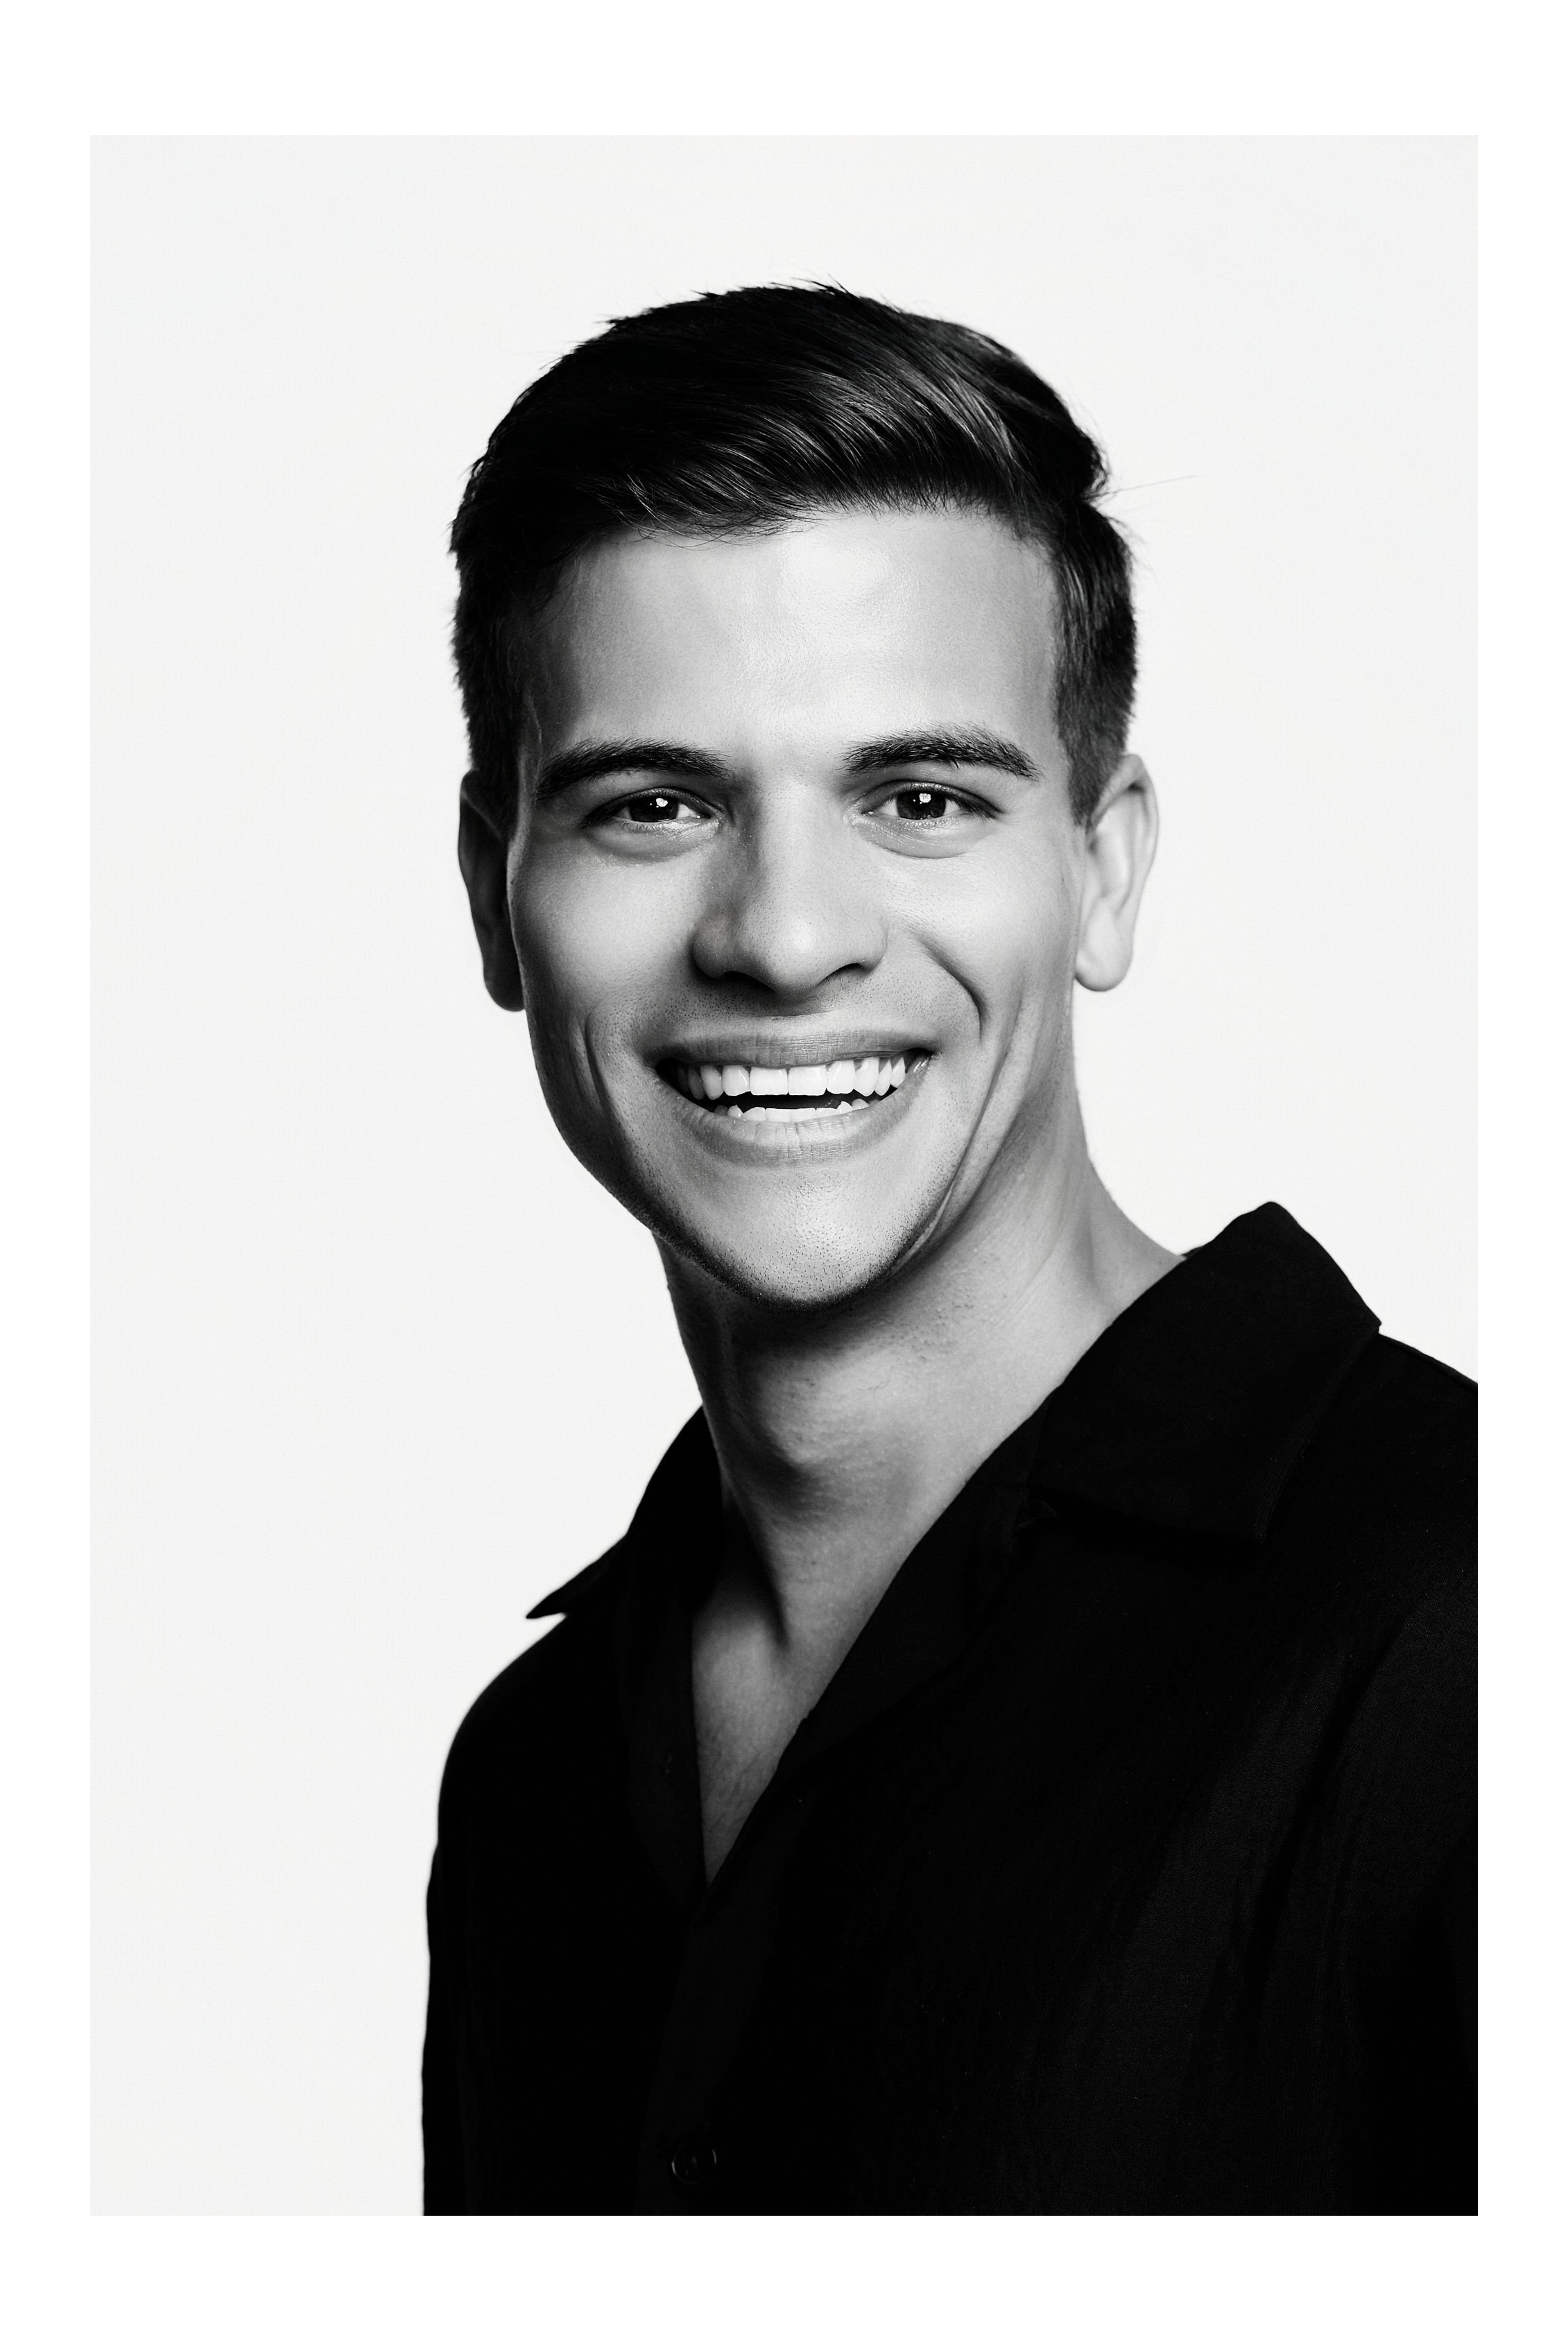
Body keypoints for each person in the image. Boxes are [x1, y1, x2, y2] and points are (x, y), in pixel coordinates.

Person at [425, 286, 1476, 2215]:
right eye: (653, 804)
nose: (784, 934)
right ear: (498, 896)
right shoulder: (535, 1772)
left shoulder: (1448, 1627)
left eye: (919, 798)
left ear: (1102, 865)